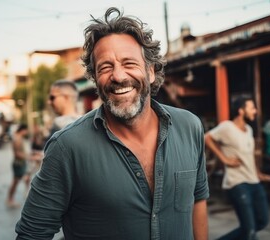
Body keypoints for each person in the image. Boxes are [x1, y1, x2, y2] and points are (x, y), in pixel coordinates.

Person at [16, 7, 209, 240]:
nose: (118, 76)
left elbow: (198, 200)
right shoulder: (67, 147)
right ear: (96, 79)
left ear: (150, 72)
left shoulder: (189, 126)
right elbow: (32, 234)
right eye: (106, 67)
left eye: (129, 63)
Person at [205, 95, 270, 240]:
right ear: (241, 111)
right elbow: (207, 138)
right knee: (249, 231)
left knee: (262, 221)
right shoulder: (227, 127)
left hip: (254, 181)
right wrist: (224, 159)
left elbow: (248, 155)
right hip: (237, 183)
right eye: (252, 108)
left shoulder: (248, 129)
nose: (255, 111)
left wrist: (257, 172)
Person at [7, 123, 30, 207]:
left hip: (21, 163)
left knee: (27, 177)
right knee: (15, 182)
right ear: (23, 130)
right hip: (18, 163)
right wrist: (29, 157)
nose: (27, 132)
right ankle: (10, 200)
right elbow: (17, 154)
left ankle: (26, 193)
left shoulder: (19, 137)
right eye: (26, 130)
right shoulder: (17, 139)